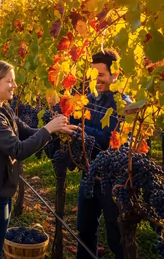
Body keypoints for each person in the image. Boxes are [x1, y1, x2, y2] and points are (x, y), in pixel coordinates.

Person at [0, 60, 76, 259]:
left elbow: (27, 133)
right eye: (10, 81)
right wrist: (48, 129)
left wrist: (55, 130)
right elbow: (18, 150)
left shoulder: (3, 109)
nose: (15, 86)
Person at [73, 50, 131, 259]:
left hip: (113, 179)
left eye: (100, 75)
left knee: (117, 237)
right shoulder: (89, 99)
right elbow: (74, 122)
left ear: (114, 74)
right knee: (85, 229)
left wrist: (80, 131)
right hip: (89, 173)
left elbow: (109, 140)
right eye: (93, 74)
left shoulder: (124, 105)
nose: (95, 80)